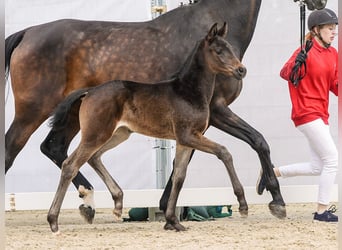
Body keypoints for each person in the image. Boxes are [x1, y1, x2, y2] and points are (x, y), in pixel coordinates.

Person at [257, 8, 338, 222]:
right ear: (316, 30)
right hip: (306, 112)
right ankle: (321, 212)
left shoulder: (333, 54)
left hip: (321, 114)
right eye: (330, 28)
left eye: (335, 28)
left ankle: (272, 173)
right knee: (332, 160)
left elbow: (336, 85)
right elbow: (285, 73)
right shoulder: (305, 50)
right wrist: (297, 61)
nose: (334, 32)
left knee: (317, 166)